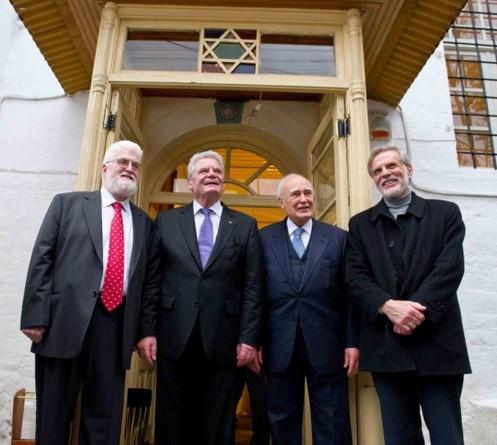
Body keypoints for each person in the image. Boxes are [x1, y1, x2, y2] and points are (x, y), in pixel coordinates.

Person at [20, 140, 155, 445]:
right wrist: (34, 316)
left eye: (135, 165)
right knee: (53, 416)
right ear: (105, 167)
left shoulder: (145, 224)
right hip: (61, 323)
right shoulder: (67, 204)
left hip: (115, 326)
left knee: (103, 420)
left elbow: (147, 284)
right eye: (123, 161)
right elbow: (42, 259)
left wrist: (144, 330)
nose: (129, 169)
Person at [346, 145, 471, 445]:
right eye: (378, 171)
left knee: (446, 436)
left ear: (408, 169)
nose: (385, 173)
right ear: (374, 180)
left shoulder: (445, 213)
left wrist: (414, 313)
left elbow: (449, 269)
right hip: (387, 349)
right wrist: (389, 307)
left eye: (391, 166)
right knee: (399, 438)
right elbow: (355, 277)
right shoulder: (360, 225)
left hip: (438, 345)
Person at [137, 150, 263, 445]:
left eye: (217, 171)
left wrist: (249, 338)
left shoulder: (244, 225)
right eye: (204, 171)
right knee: (172, 420)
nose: (212, 174)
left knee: (217, 422)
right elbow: (153, 279)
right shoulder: (167, 222)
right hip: (173, 336)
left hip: (224, 340)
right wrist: (147, 330)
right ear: (190, 182)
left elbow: (253, 286)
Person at [258, 173, 359, 445]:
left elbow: (349, 296)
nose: (304, 199)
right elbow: (255, 295)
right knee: (281, 421)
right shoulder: (263, 239)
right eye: (296, 194)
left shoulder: (339, 238)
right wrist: (253, 341)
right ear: (281, 202)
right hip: (278, 345)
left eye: (308, 193)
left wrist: (352, 342)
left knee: (333, 422)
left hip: (328, 345)